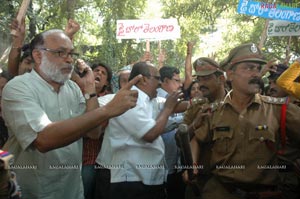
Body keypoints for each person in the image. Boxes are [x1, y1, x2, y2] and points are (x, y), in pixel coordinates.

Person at [1, 29, 141, 199]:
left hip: (72, 190)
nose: (69, 59)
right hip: (35, 191)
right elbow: (43, 139)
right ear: (38, 56)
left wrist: (89, 89)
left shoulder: (73, 88)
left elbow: (94, 132)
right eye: (61, 53)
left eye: (71, 54)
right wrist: (107, 110)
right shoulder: (18, 87)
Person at [185, 43, 300, 199]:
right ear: (230, 74)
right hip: (220, 192)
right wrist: (192, 166)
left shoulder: (279, 109)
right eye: (248, 68)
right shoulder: (213, 111)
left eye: (258, 69)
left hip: (265, 193)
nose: (256, 74)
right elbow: (196, 140)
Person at [95, 61, 182, 199]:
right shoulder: (128, 101)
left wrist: (198, 103)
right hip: (132, 182)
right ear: (144, 79)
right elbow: (150, 134)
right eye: (157, 79)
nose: (160, 84)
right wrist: (168, 109)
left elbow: (176, 105)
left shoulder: (150, 100)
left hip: (148, 180)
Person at [182, 57, 226, 199]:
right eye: (199, 80)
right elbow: (179, 139)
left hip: (227, 182)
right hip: (197, 179)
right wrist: (194, 124)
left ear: (221, 79)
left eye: (206, 79)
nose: (201, 84)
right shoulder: (196, 106)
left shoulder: (235, 105)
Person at [82, 61, 113, 199]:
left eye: (103, 73)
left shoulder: (109, 102)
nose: (99, 73)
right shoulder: (77, 93)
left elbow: (95, 133)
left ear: (106, 83)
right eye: (96, 70)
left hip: (92, 161)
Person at [157, 66, 186, 199]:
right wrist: (187, 117)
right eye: (177, 80)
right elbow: (159, 126)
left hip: (176, 166)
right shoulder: (155, 99)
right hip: (161, 168)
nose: (180, 84)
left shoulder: (176, 98)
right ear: (165, 80)